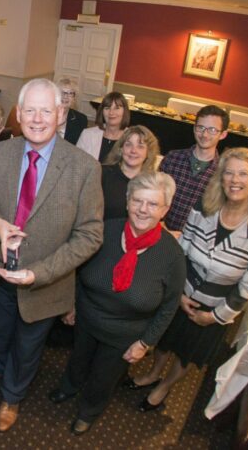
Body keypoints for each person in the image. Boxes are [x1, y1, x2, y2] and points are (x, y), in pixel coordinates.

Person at [0, 78, 103, 433]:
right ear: (18, 113)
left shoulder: (84, 168)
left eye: (47, 110)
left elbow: (90, 235)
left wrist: (39, 273)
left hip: (44, 282)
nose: (38, 118)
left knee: (29, 346)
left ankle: (12, 395)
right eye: (30, 109)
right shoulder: (2, 152)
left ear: (61, 114)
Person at [130, 148, 248, 412]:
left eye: (243, 174)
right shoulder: (202, 209)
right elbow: (182, 252)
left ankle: (164, 386)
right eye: (229, 173)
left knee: (188, 355)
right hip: (181, 294)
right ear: (220, 178)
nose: (235, 180)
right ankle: (153, 373)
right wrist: (178, 294)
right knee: (165, 342)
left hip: (214, 309)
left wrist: (215, 316)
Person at [47, 172, 185, 435]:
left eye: (153, 204)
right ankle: (69, 387)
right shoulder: (105, 230)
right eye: (137, 201)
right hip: (86, 318)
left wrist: (145, 343)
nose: (143, 210)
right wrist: (72, 305)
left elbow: (169, 306)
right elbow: (79, 269)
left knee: (104, 377)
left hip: (125, 334)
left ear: (165, 209)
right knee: (78, 359)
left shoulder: (172, 255)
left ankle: (89, 410)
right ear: (127, 202)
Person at [159, 104, 229, 236]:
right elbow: (155, 195)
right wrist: (163, 228)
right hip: (161, 233)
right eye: (200, 127)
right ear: (194, 128)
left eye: (212, 130)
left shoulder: (224, 173)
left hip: (197, 242)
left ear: (223, 134)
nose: (205, 134)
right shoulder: (173, 158)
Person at [101, 125, 160, 220]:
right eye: (128, 144)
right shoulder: (101, 174)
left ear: (148, 153)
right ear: (121, 149)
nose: (133, 150)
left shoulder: (152, 184)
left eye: (140, 146)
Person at [76, 91, 130, 162]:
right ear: (102, 112)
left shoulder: (131, 137)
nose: (111, 112)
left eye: (117, 108)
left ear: (124, 111)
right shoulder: (87, 135)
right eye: (107, 108)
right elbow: (76, 163)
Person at [56, 78, 88, 145]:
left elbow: (80, 147)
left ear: (74, 98)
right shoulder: (45, 115)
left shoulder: (81, 119)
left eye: (70, 93)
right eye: (62, 92)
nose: (66, 96)